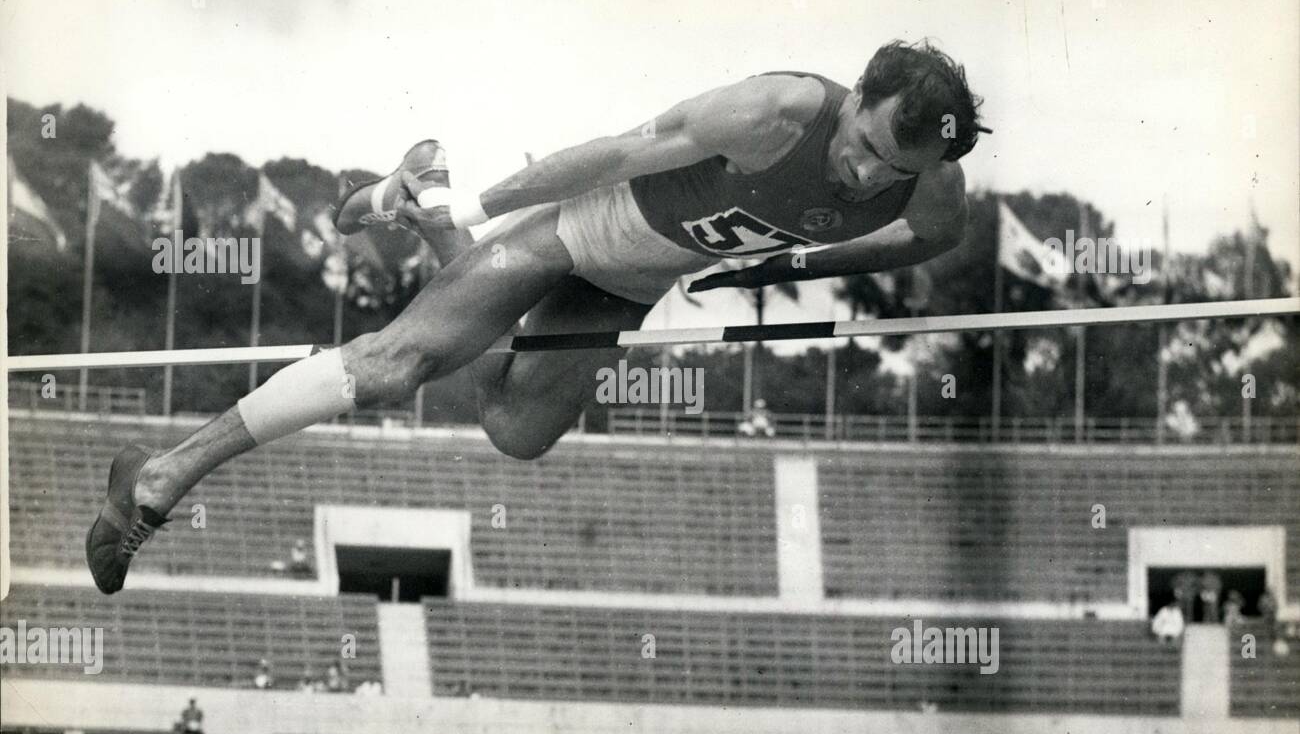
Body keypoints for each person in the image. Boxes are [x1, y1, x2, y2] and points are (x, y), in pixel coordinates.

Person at [85, 40, 986, 592]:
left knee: (516, 428)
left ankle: (421, 204)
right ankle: (160, 477)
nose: (869, 176)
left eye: (890, 172)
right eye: (865, 147)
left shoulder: (931, 185)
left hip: (630, 285)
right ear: (858, 96)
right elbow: (608, 155)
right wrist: (485, 213)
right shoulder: (773, 112)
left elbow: (922, 243)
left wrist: (798, 262)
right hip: (569, 229)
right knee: (398, 365)